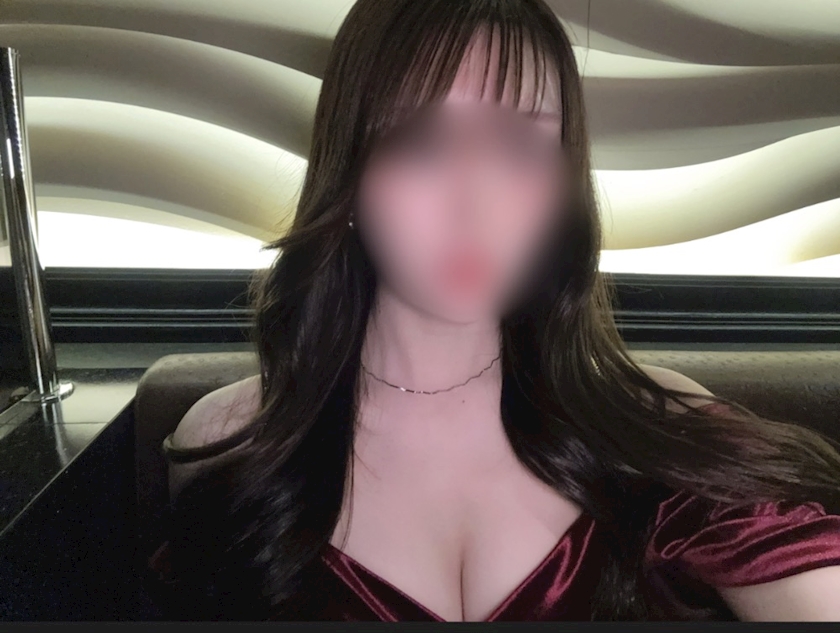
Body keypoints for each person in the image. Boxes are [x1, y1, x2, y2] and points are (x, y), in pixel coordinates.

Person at [148, 0, 840, 621]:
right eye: (420, 142)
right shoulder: (233, 444)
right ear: (349, 172)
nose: (475, 202)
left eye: (521, 147)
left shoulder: (655, 432)